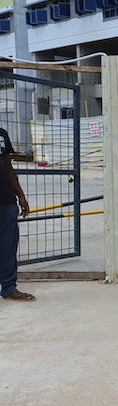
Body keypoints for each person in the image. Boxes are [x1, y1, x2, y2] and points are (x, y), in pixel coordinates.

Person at [1, 127, 35, 302]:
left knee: (8, 247)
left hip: (5, 201)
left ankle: (8, 288)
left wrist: (21, 196)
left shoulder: (1, 134)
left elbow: (8, 168)